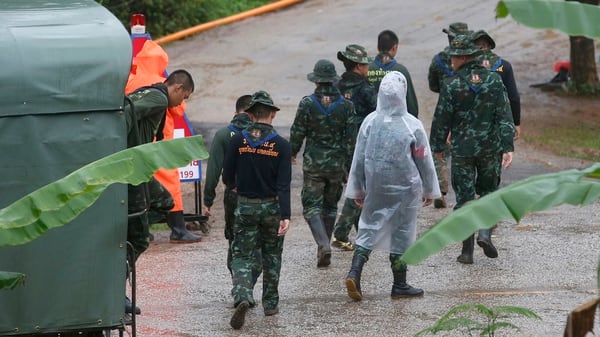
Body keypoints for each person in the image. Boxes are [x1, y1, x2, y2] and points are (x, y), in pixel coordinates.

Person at [344, 71, 440, 301]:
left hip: (376, 186)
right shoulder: (412, 125)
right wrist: (430, 189)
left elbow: (359, 158)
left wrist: (357, 189)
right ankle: (400, 284)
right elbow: (423, 159)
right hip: (405, 188)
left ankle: (354, 272)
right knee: (403, 231)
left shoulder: (369, 122)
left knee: (368, 226)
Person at [429, 35, 515, 265]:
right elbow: (504, 115)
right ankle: (485, 232)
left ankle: (466, 251)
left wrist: (437, 147)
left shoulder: (452, 84)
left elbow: (441, 119)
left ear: (465, 57)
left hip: (462, 150)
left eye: (454, 58)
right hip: (490, 148)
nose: (451, 62)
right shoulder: (494, 81)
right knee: (487, 192)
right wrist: (507, 146)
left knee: (464, 198)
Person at [125, 69, 195, 313]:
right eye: (184, 96)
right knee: (140, 240)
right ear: (177, 88)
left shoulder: (149, 91)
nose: (181, 102)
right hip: (131, 168)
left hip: (139, 167)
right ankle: (115, 291)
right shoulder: (159, 97)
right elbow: (126, 111)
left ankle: (133, 223)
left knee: (164, 201)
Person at [222, 90, 291, 329]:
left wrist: (234, 186)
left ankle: (242, 295)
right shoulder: (281, 145)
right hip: (272, 206)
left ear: (250, 115)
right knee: (272, 255)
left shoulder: (237, 140)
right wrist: (286, 215)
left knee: (241, 254)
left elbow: (227, 175)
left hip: (245, 206)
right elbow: (284, 184)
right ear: (272, 114)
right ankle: (270, 303)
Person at [290, 59, 356, 268]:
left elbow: (298, 131)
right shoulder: (346, 105)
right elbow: (350, 139)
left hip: (314, 164)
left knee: (311, 206)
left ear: (316, 81)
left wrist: (292, 153)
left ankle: (323, 244)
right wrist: (348, 165)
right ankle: (324, 244)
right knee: (330, 206)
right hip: (337, 164)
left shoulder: (307, 104)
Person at [203, 95, 262, 284]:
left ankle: (240, 286)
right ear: (254, 113)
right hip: (260, 197)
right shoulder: (264, 134)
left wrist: (207, 200)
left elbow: (213, 170)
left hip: (234, 196)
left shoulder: (222, 135)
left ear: (235, 112)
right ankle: (248, 285)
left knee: (235, 242)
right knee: (257, 242)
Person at [332, 44, 378, 251]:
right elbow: (379, 117)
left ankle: (363, 232)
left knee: (358, 186)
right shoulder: (367, 90)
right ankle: (341, 232)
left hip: (337, 146)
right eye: (365, 64)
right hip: (362, 146)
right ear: (358, 66)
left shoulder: (336, 87)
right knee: (360, 188)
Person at [427, 22, 471, 209]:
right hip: (468, 108)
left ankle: (441, 191)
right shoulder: (473, 59)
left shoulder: (438, 60)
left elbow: (433, 85)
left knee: (440, 150)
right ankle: (472, 191)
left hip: (445, 105)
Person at [472, 30, 522, 140]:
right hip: (497, 128)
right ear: (489, 46)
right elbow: (513, 98)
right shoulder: (504, 66)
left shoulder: (466, 66)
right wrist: (516, 122)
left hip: (470, 128)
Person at [367, 29, 419, 118]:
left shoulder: (366, 69)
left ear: (378, 47)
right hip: (396, 123)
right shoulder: (401, 71)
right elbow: (411, 105)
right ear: (394, 47)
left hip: (371, 123)